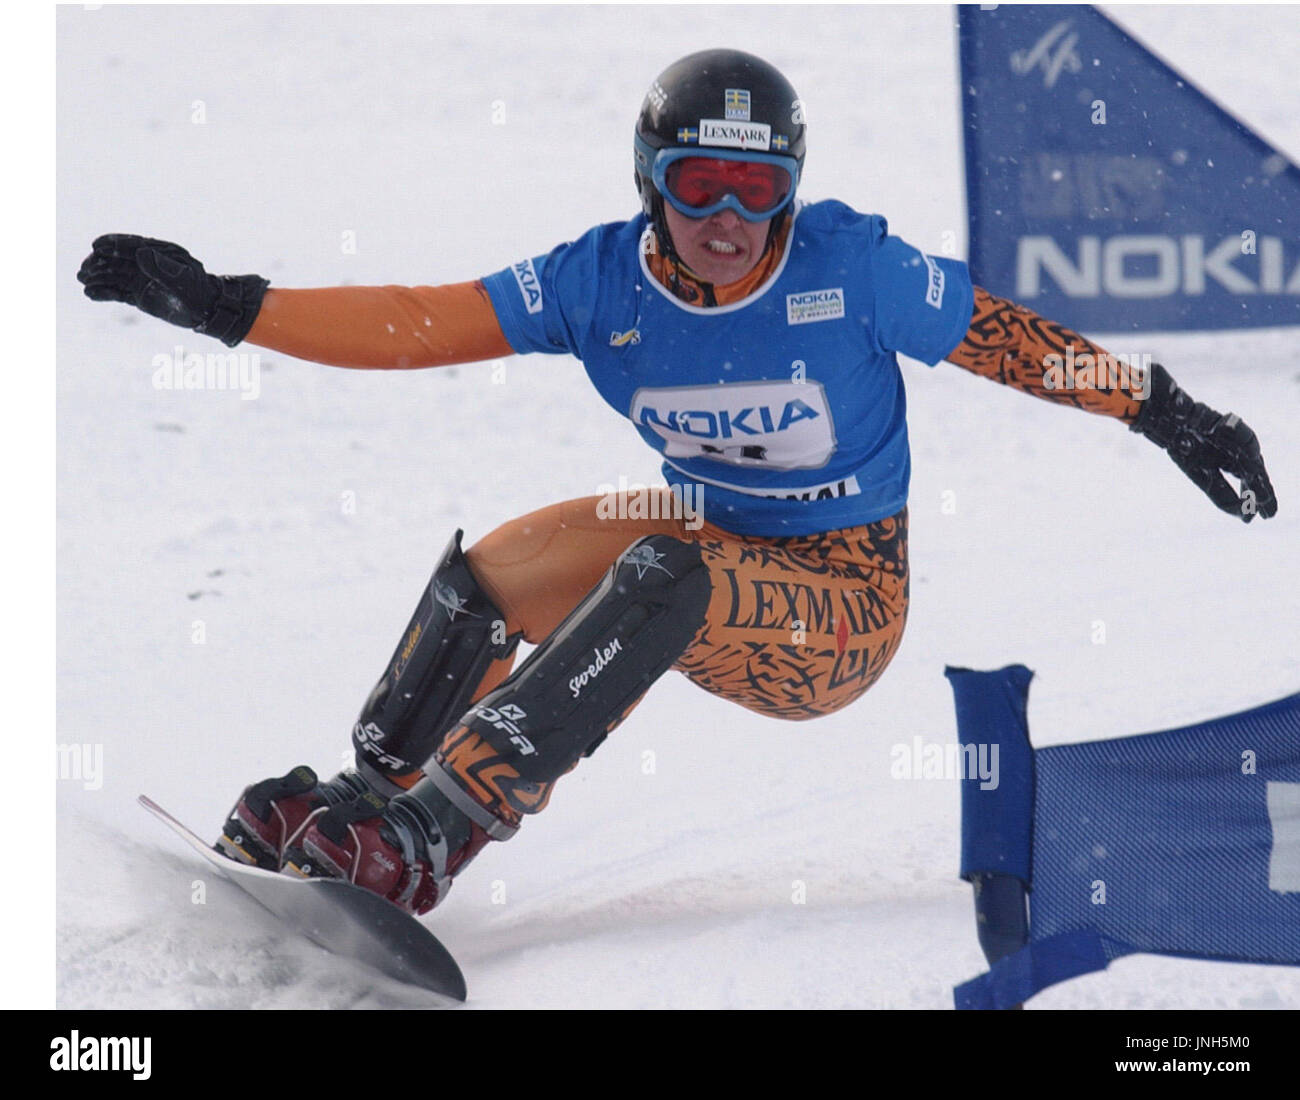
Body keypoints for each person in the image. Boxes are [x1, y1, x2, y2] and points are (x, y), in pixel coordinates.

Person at [78, 49, 1277, 917]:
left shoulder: (848, 266)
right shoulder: (599, 281)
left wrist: (1161, 409)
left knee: (665, 562)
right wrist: (237, 308)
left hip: (841, 607)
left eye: (758, 192)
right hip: (699, 539)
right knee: (498, 565)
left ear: (792, 193)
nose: (727, 218)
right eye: (700, 184)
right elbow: (422, 320)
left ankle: (433, 836)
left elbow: (999, 336)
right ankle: (369, 797)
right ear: (652, 183)